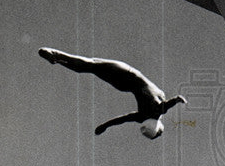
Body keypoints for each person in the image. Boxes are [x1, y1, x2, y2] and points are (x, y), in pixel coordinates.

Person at [38, 47, 187, 139]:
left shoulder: (155, 112)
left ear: (157, 127)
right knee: (90, 67)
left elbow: (167, 104)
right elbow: (121, 119)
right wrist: (104, 126)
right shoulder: (141, 117)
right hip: (122, 84)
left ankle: (56, 55)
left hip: (126, 73)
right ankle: (57, 59)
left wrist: (178, 100)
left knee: (91, 64)